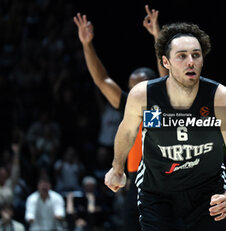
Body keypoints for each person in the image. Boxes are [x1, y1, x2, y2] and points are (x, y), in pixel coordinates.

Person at [104, 22, 226, 230]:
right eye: (181, 56)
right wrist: (117, 168)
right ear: (166, 62)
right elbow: (126, 132)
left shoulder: (221, 98)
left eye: (196, 55)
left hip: (207, 193)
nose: (190, 62)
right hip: (157, 193)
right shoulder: (144, 95)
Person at [73, 6, 166, 231]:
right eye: (131, 87)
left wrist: (157, 36)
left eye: (140, 86)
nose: (134, 90)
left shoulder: (161, 101)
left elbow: (167, 73)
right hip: (136, 182)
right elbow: (102, 80)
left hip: (164, 181)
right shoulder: (129, 105)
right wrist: (87, 44)